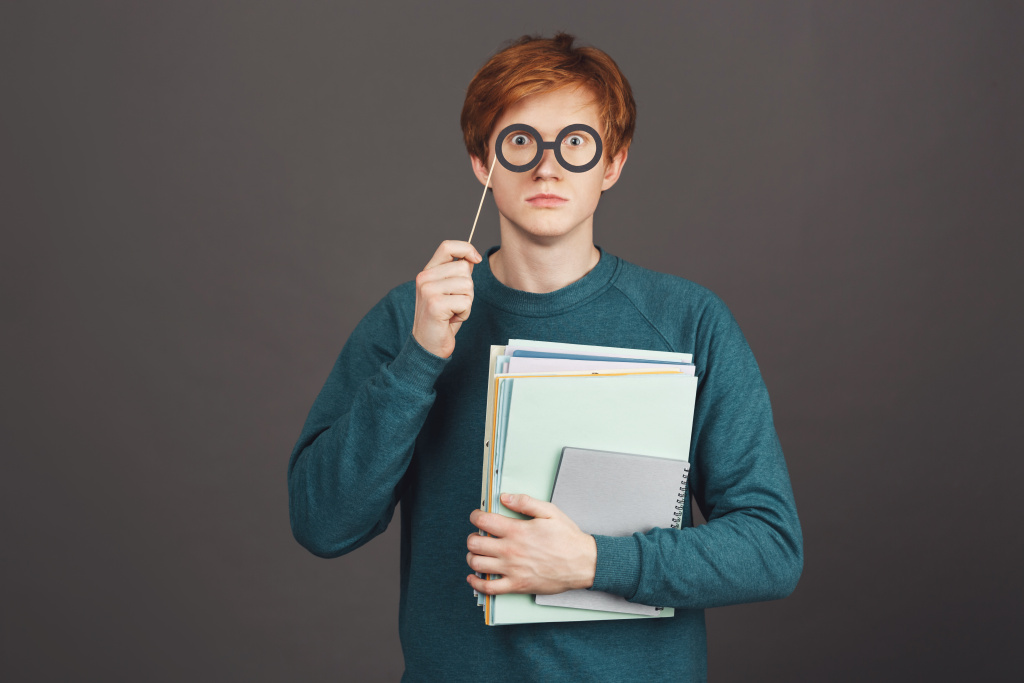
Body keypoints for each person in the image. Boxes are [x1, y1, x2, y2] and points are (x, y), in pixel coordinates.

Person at [288, 32, 802, 681]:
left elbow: (770, 548)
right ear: (484, 162)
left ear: (612, 164)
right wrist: (420, 358)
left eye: (576, 144)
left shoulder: (690, 321)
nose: (547, 168)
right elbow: (322, 524)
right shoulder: (411, 317)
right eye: (521, 142)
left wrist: (592, 562)